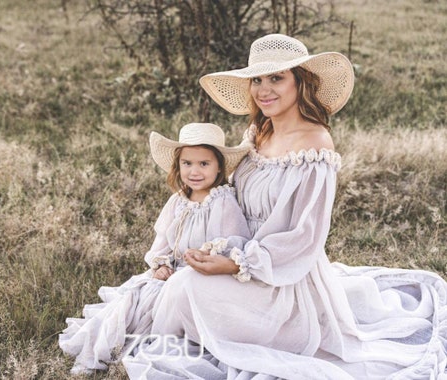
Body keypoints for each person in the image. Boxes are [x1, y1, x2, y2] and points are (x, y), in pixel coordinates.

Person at [123, 34, 447, 379]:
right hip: (239, 254)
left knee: (185, 288)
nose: (264, 90)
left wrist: (235, 264)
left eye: (276, 78)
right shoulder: (260, 130)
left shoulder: (314, 145)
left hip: (282, 278)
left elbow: (304, 236)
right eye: (257, 80)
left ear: (300, 82)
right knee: (174, 282)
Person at [59, 122, 252, 374]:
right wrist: (161, 264)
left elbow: (235, 243)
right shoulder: (178, 201)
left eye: (204, 164)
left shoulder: (222, 202)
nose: (194, 171)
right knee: (134, 301)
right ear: (178, 165)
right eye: (187, 163)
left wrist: (210, 257)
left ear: (218, 168)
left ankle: (167, 343)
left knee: (167, 303)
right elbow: (162, 244)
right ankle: (115, 349)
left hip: (204, 277)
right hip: (174, 272)